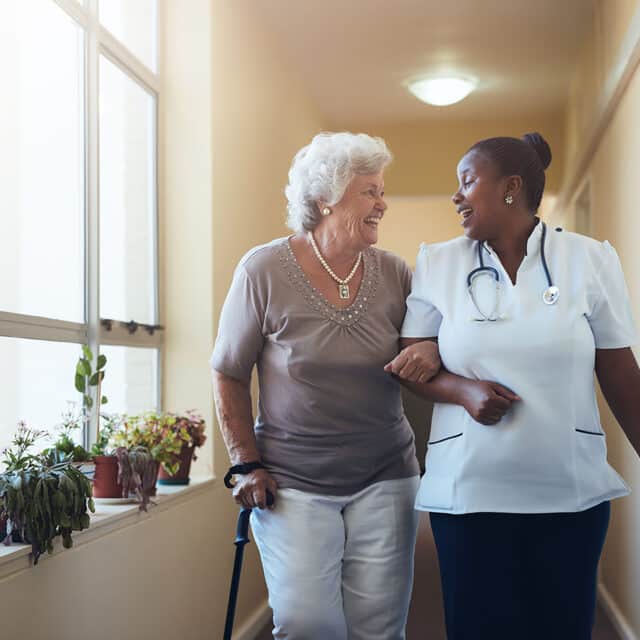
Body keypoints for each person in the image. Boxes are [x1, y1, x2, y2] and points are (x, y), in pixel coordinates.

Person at [386, 132, 640, 640]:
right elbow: (412, 366)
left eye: (467, 182)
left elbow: (620, 374)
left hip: (570, 496)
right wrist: (464, 391)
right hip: (469, 496)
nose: (456, 197)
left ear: (511, 188)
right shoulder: (438, 262)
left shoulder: (589, 260)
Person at [210, 131, 441, 640]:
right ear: (325, 198)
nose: (383, 204)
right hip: (293, 479)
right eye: (370, 191)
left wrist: (429, 349)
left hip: (387, 473)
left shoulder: (397, 273)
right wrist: (245, 463)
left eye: (382, 190)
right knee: (307, 623)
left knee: (380, 626)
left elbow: (429, 346)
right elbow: (228, 370)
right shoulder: (263, 269)